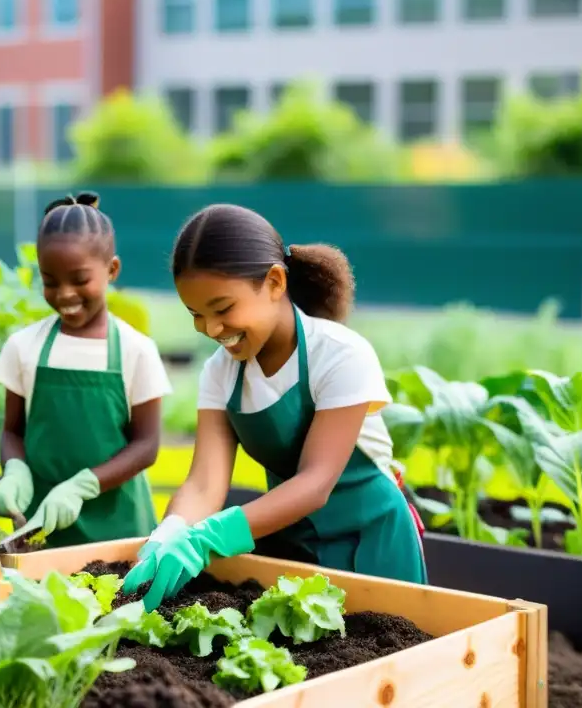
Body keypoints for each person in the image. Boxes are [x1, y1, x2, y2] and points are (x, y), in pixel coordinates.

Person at [124, 204, 427, 610]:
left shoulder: (339, 354)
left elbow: (315, 483)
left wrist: (208, 538)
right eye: (196, 314)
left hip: (370, 543)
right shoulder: (221, 372)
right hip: (289, 540)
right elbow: (203, 484)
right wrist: (171, 531)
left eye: (223, 308)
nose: (212, 330)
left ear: (274, 282)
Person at [0, 191, 172, 547]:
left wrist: (82, 486)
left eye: (80, 279)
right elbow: (12, 432)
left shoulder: (136, 350)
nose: (65, 294)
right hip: (41, 526)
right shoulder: (23, 346)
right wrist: (14, 469)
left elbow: (147, 445)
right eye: (50, 281)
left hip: (120, 531)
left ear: (112, 270)